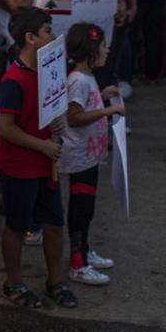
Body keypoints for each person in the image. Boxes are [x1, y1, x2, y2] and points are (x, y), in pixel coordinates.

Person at [0, 7, 71, 310]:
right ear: (31, 38)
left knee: (53, 224)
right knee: (17, 226)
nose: (53, 37)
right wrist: (42, 147)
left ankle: (56, 282)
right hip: (20, 167)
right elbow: (5, 128)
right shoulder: (13, 80)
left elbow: (46, 114)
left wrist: (56, 127)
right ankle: (13, 282)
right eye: (48, 31)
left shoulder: (47, 71)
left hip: (44, 164)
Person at [58, 23, 123, 286]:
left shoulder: (87, 78)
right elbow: (74, 117)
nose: (107, 50)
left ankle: (84, 250)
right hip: (79, 158)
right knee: (81, 210)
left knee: (87, 208)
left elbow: (85, 105)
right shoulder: (78, 80)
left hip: (89, 157)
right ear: (92, 50)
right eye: (103, 45)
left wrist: (104, 96)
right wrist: (107, 111)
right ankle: (78, 264)